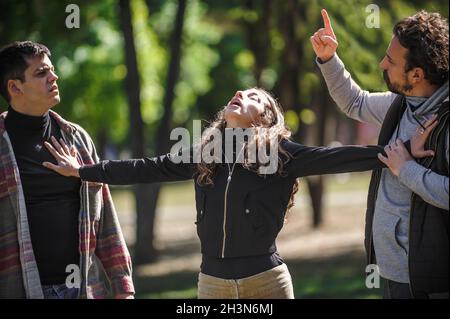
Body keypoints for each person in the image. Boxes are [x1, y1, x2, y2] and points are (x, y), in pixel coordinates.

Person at [42, 87, 431, 299]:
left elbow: (337, 158)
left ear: (265, 118)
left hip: (267, 282)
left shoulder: (280, 155)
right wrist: (84, 172)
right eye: (239, 92)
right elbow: (148, 167)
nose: (240, 95)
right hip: (211, 284)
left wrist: (398, 152)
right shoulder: (206, 155)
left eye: (254, 97)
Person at [311, 9, 448, 298]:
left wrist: (407, 169)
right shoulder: (402, 103)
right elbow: (355, 103)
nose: (381, 63)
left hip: (429, 280)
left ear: (417, 74)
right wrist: (328, 58)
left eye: (391, 60)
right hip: (394, 271)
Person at [0, 41, 134, 299]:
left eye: (51, 69)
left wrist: (123, 286)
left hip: (85, 289)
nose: (54, 76)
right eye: (41, 73)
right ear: (15, 87)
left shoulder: (77, 137)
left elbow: (105, 216)